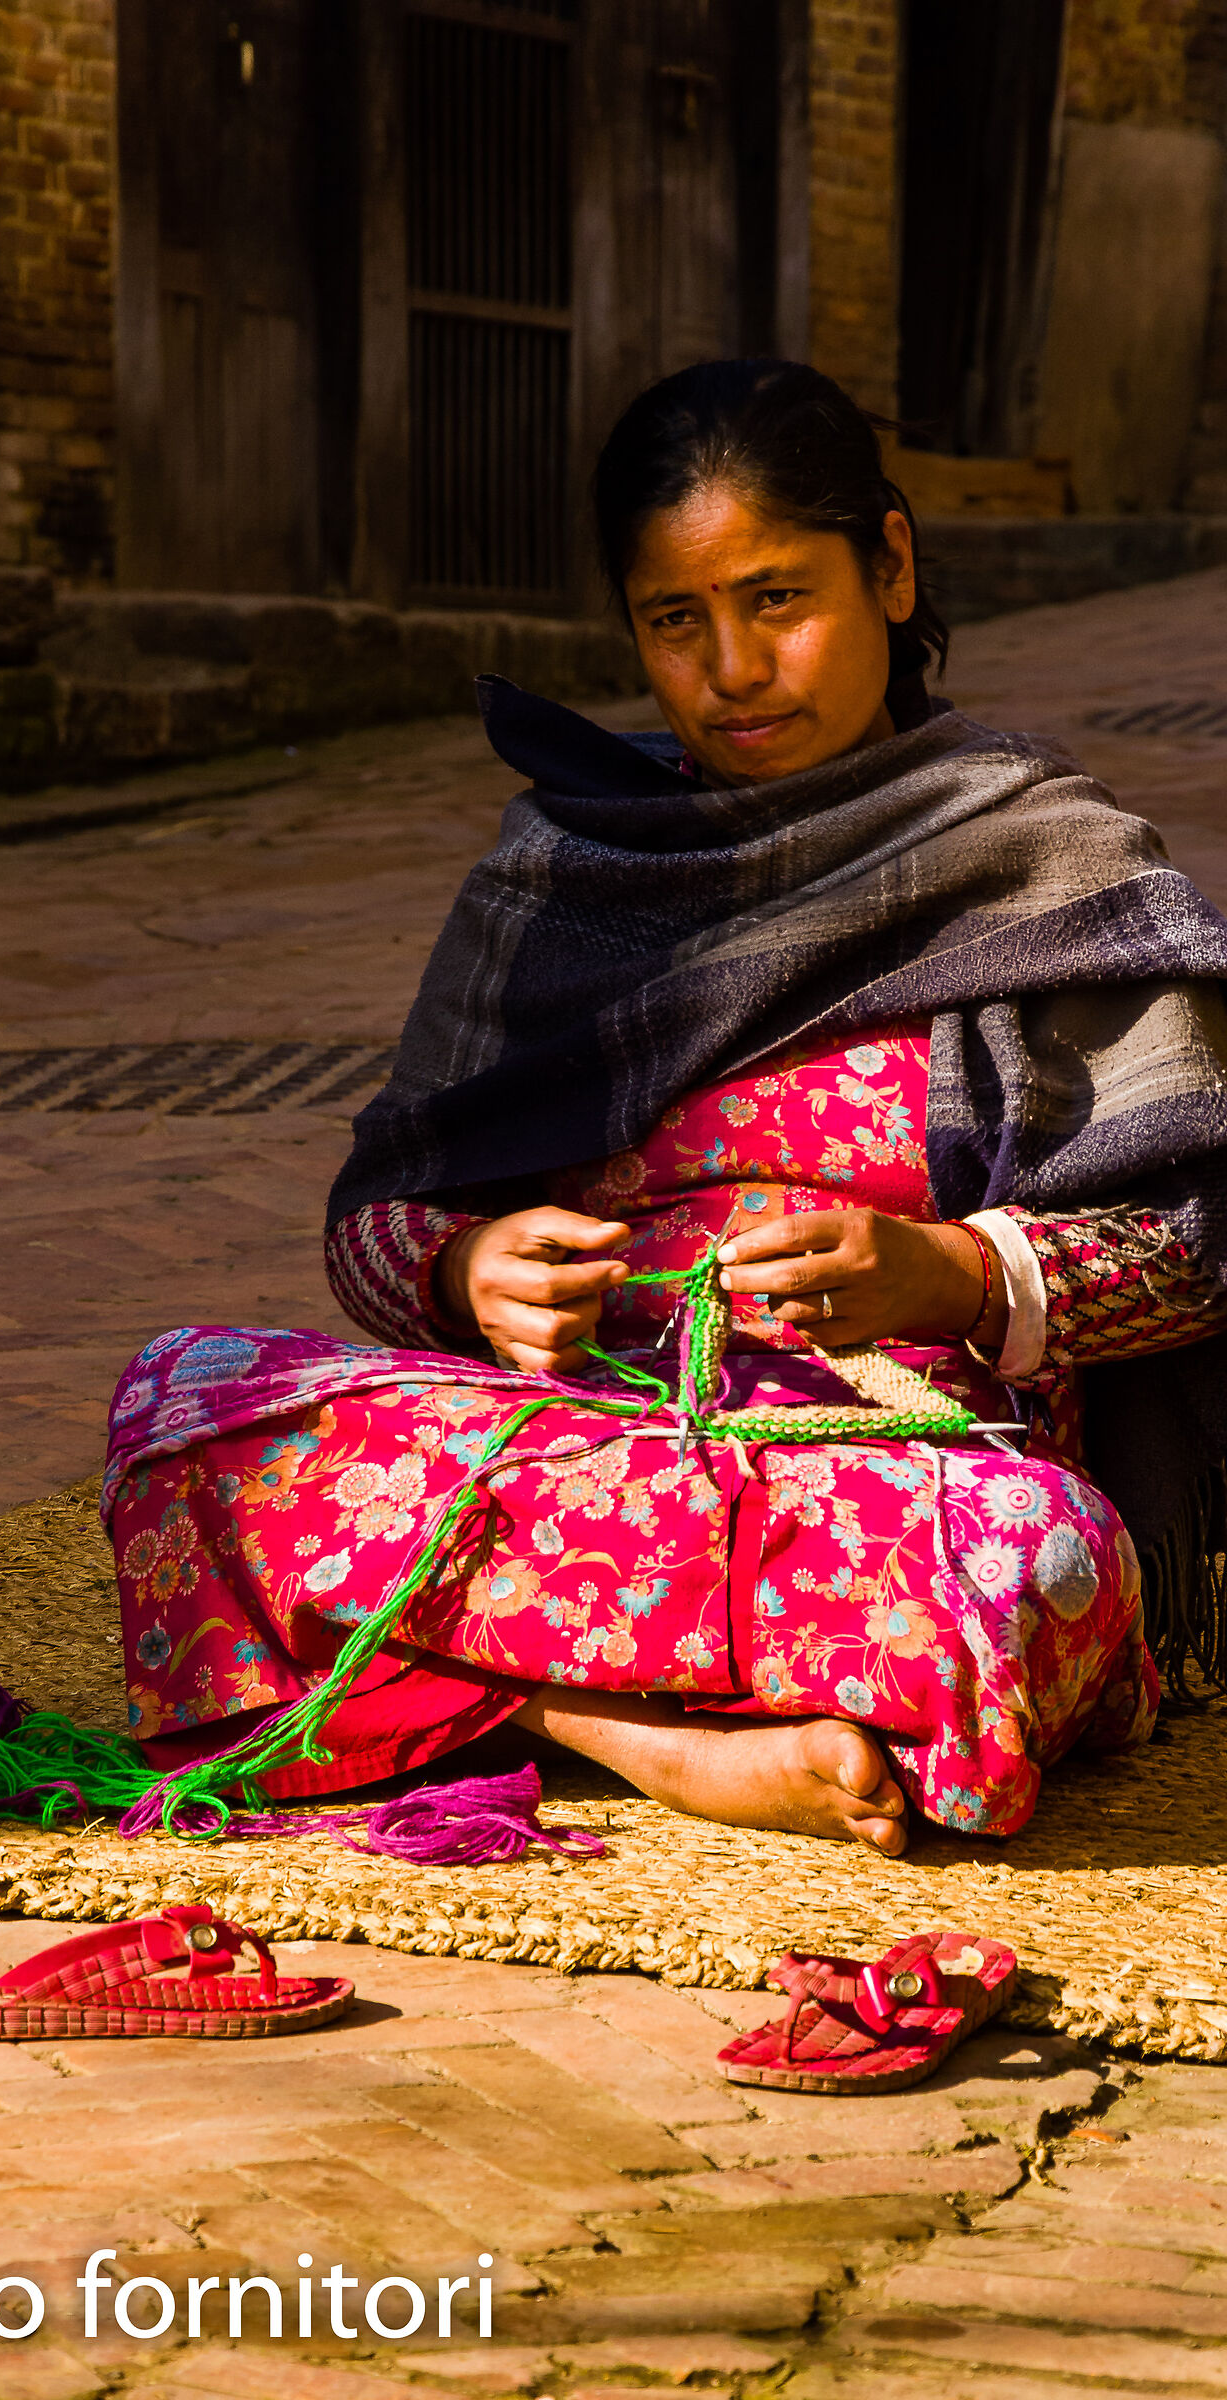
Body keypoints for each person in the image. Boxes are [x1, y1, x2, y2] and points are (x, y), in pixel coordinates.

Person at [104, 358, 1227, 1855]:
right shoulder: (562, 874)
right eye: (675, 621)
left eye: (778, 599)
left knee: (1033, 1566)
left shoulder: (1049, 866)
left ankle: (486, 1675)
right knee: (189, 1414)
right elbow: (382, 1212)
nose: (734, 670)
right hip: (592, 1433)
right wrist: (463, 1270)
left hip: (899, 1471)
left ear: (890, 567)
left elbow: (1202, 1245)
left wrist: (951, 1273)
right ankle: (619, 1728)